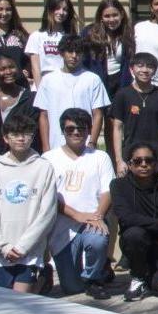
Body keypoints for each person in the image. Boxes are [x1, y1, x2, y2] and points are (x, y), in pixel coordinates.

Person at [0, 111, 58, 293]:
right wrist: (2, 246)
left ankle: (41, 279)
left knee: (20, 300)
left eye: (26, 134)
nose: (21, 139)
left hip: (30, 253)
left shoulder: (43, 167)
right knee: (3, 306)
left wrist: (23, 246)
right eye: (15, 134)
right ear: (6, 138)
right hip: (1, 254)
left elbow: (47, 212)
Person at [45, 107, 117, 297]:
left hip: (93, 222)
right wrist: (77, 215)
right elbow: (48, 197)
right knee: (72, 288)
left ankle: (94, 277)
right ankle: (88, 274)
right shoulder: (49, 159)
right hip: (62, 227)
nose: (76, 132)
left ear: (89, 130)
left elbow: (107, 190)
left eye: (81, 128)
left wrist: (98, 216)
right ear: (63, 131)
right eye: (70, 129)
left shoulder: (100, 157)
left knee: (98, 240)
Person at [108, 142, 158, 301]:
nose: (144, 165)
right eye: (138, 161)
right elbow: (126, 217)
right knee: (134, 234)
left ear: (155, 164)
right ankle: (138, 276)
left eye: (148, 161)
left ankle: (148, 277)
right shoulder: (119, 186)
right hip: (137, 246)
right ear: (129, 164)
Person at [35, 38, 111, 153]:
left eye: (78, 52)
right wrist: (46, 147)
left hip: (84, 145)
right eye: (70, 51)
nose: (74, 56)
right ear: (61, 53)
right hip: (56, 145)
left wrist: (92, 142)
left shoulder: (92, 79)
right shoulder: (48, 80)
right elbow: (43, 115)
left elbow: (98, 114)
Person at [110, 52, 158, 176]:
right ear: (131, 69)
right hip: (130, 156)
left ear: (155, 71)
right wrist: (119, 160)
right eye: (140, 66)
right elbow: (117, 128)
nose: (145, 70)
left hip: (157, 157)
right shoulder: (123, 94)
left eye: (149, 66)